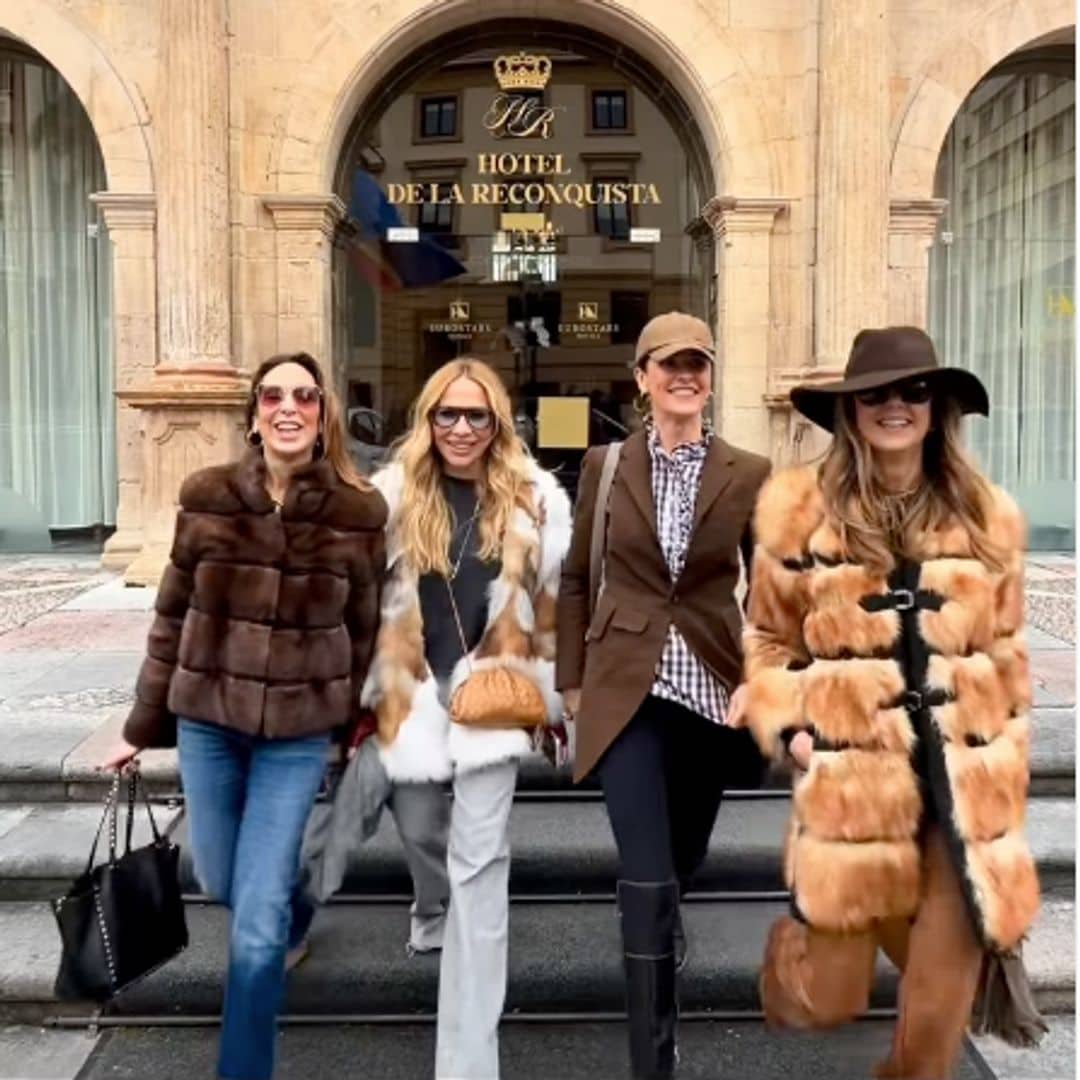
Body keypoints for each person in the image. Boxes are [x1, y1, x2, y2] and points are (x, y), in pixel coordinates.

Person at [726, 326, 1044, 1079]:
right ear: (849, 410)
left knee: (934, 1025)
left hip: (958, 798)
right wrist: (797, 735)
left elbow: (1007, 655)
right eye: (875, 394)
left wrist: (1005, 762)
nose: (895, 406)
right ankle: (790, 959)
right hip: (853, 793)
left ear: (939, 409)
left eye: (914, 391)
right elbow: (769, 642)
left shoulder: (987, 518)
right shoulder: (796, 511)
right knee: (826, 997)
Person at [99, 352, 386, 1080]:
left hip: (296, 736)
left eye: (304, 397)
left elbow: (364, 628)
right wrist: (138, 728)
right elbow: (170, 618)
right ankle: (294, 907)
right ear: (253, 414)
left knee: (252, 934)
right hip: (208, 727)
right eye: (272, 396)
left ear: (323, 415)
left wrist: (352, 721)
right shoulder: (207, 495)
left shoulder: (359, 512)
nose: (288, 408)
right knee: (219, 875)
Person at [555, 312, 772, 1079]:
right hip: (625, 687)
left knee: (683, 855)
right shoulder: (605, 465)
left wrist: (766, 683)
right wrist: (572, 684)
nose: (686, 376)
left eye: (699, 364)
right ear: (641, 377)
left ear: (711, 378)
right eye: (670, 364)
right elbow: (578, 574)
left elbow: (771, 590)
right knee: (644, 875)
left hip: (711, 685)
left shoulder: (749, 471)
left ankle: (668, 910)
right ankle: (654, 1062)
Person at [361, 357, 572, 1080]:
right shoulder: (388, 497)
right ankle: (429, 908)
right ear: (427, 421)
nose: (460, 428)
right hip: (414, 692)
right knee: (421, 827)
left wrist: (556, 696)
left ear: (497, 423)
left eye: (475, 415)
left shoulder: (534, 497)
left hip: (493, 695)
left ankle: (468, 1059)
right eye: (446, 414)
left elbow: (552, 606)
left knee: (481, 867)